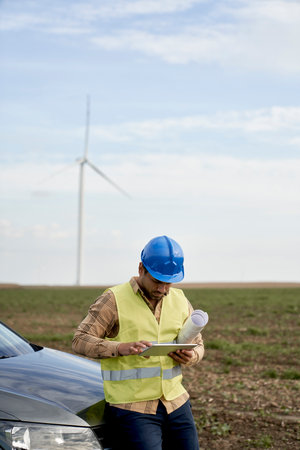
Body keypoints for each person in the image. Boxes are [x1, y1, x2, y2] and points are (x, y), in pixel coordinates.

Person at [72, 235, 204, 450]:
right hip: (132, 408)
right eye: (157, 281)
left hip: (176, 402)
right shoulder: (113, 299)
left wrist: (192, 355)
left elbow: (198, 343)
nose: (163, 289)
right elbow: (79, 341)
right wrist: (120, 348)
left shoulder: (179, 299)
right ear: (142, 268)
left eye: (168, 282)